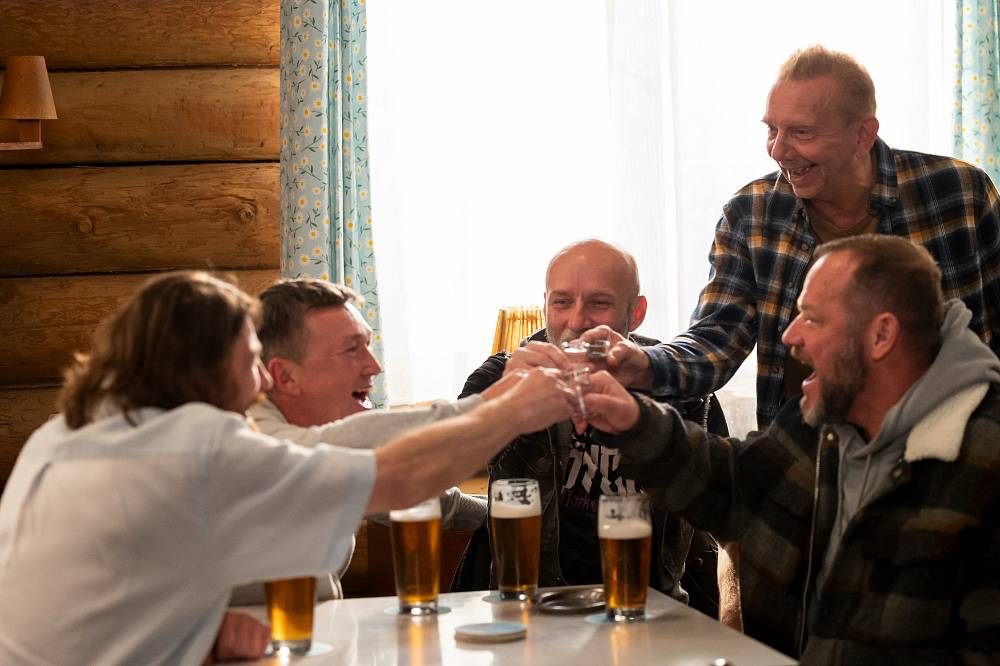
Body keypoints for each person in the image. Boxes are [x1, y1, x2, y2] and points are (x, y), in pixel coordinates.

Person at [0, 271, 576, 665]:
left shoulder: (67, 433)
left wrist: (202, 632)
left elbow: (107, 588)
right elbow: (391, 477)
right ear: (206, 366)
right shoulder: (200, 445)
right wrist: (511, 409)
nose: (260, 382)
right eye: (251, 361)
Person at [579, 235, 1000, 662]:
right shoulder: (820, 420)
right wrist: (628, 417)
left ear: (881, 335)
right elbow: (734, 488)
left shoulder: (984, 461)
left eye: (812, 319)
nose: (789, 335)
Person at [587, 45, 1000, 430]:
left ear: (863, 134)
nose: (778, 150)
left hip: (950, 451)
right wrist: (641, 361)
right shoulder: (751, 213)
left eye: (801, 133)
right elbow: (716, 339)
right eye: (772, 130)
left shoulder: (960, 192)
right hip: (803, 462)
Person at [458, 239, 727, 615]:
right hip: (532, 613)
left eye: (599, 303)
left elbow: (728, 516)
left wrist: (732, 619)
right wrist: (505, 402)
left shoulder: (684, 390)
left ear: (636, 313)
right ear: (546, 305)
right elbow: (433, 463)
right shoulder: (501, 375)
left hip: (648, 611)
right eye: (562, 301)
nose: (577, 320)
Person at [227, 278, 488, 604]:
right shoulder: (253, 438)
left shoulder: (329, 440)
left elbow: (418, 494)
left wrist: (495, 515)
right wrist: (505, 404)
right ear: (285, 377)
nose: (374, 367)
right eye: (352, 349)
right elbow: (359, 442)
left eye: (367, 345)